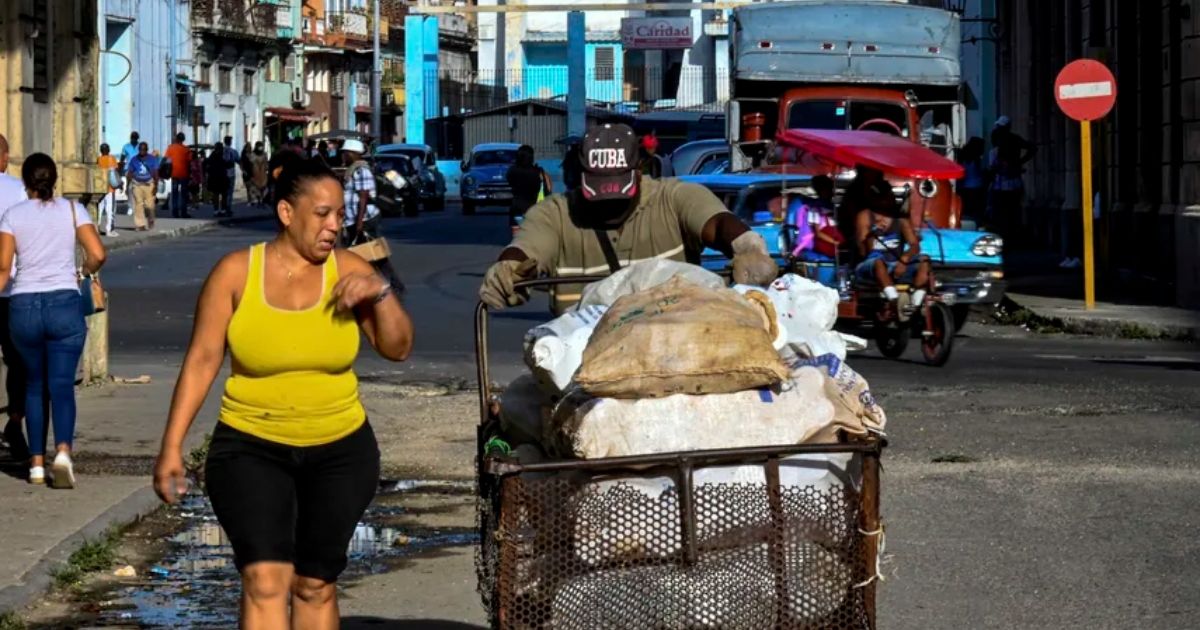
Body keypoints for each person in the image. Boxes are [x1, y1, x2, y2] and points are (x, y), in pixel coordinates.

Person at [152, 159, 412, 629]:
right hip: (249, 447)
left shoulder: (350, 270)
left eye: (338, 214)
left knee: (315, 585)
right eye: (323, 214)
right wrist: (172, 446)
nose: (334, 225)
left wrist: (380, 291)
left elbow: (398, 348)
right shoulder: (234, 273)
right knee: (265, 581)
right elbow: (202, 360)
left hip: (340, 451)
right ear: (288, 213)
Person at [480, 123, 777, 314]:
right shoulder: (555, 214)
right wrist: (509, 268)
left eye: (619, 194)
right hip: (583, 361)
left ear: (639, 171)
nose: (610, 206)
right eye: (600, 193)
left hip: (681, 342)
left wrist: (745, 246)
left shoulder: (673, 198)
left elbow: (717, 222)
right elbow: (528, 246)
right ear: (581, 176)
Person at [0, 153, 107, 487]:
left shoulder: (12, 216)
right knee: (61, 386)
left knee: (33, 385)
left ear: (27, 182)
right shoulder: (74, 210)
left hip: (24, 306)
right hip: (64, 303)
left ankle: (34, 464)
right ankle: (62, 452)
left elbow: (4, 269)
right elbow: (98, 253)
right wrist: (83, 272)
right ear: (54, 180)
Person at [849, 165, 930, 308]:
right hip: (871, 265)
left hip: (896, 263)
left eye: (890, 196)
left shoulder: (900, 219)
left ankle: (915, 304)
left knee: (925, 260)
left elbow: (914, 245)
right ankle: (894, 300)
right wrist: (871, 236)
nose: (889, 200)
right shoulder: (865, 216)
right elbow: (863, 252)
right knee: (878, 261)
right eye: (884, 197)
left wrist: (905, 259)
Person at [0, 134, 32, 462]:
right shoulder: (18, 191)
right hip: (12, 289)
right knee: (18, 361)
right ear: (4, 157)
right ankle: (14, 422)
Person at [988, 116, 1035, 241]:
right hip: (1013, 182)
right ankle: (1012, 236)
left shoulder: (999, 142)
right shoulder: (1014, 139)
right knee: (1012, 211)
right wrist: (1019, 163)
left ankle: (1007, 237)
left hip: (1002, 184)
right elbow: (1032, 148)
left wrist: (1018, 163)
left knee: (1003, 213)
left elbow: (994, 167)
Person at [789, 175, 842, 260]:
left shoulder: (832, 207)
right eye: (829, 189)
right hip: (822, 249)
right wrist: (835, 242)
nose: (832, 192)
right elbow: (818, 233)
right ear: (821, 190)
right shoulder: (815, 209)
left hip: (833, 248)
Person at [340, 139, 378, 246]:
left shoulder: (361, 170)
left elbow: (363, 197)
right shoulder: (352, 169)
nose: (343, 156)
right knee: (363, 254)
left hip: (364, 219)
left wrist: (360, 222)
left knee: (372, 253)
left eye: (345, 153)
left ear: (352, 154)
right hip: (353, 219)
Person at [505, 145, 552, 230]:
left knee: (516, 236)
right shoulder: (538, 172)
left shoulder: (512, 171)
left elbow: (509, 182)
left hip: (517, 207)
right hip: (533, 209)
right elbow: (548, 189)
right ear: (532, 157)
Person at [125, 142, 160, 231]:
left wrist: (156, 186)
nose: (141, 151)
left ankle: (150, 218)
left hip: (149, 184)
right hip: (137, 184)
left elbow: (156, 173)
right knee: (138, 204)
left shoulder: (152, 159)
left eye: (143, 149)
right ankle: (140, 224)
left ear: (146, 150)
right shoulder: (134, 159)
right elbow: (130, 173)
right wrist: (127, 186)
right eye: (140, 149)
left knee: (149, 205)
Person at [957, 136, 987, 226]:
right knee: (976, 212)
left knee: (968, 212)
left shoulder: (963, 158)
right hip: (976, 188)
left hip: (966, 188)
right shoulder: (976, 159)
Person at [165, 133, 192, 219]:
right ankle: (183, 212)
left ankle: (175, 212)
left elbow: (167, 160)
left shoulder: (170, 148)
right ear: (183, 139)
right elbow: (189, 161)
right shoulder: (186, 149)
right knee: (184, 194)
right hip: (184, 174)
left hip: (174, 173)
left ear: (176, 139)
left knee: (175, 193)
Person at [96, 143, 120, 236]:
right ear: (109, 150)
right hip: (110, 188)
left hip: (101, 187)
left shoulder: (99, 159)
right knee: (110, 209)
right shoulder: (112, 158)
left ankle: (96, 227)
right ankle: (109, 230)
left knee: (100, 209)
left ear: (101, 150)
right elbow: (115, 172)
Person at [205, 142, 230, 216]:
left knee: (216, 195)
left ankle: (216, 210)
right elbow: (228, 164)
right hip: (222, 178)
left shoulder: (212, 156)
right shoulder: (223, 155)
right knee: (223, 194)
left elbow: (207, 166)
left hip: (214, 178)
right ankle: (223, 210)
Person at [222, 137, 240, 217]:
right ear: (230, 142)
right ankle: (228, 208)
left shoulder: (222, 151)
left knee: (223, 192)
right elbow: (239, 160)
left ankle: (223, 208)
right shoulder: (233, 151)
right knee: (230, 191)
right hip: (231, 173)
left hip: (223, 173)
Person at [248, 142, 269, 207]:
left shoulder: (264, 154)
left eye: (261, 146)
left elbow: (266, 163)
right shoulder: (253, 154)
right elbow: (250, 164)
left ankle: (262, 200)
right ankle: (258, 200)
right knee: (256, 188)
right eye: (259, 146)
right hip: (255, 173)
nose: (261, 148)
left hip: (263, 173)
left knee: (263, 187)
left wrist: (267, 168)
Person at [240, 142, 254, 208]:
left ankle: (251, 200)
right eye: (248, 147)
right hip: (246, 172)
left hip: (252, 173)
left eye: (250, 147)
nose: (249, 148)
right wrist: (243, 170)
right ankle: (250, 200)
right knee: (248, 188)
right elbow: (241, 163)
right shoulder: (243, 154)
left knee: (251, 187)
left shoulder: (252, 154)